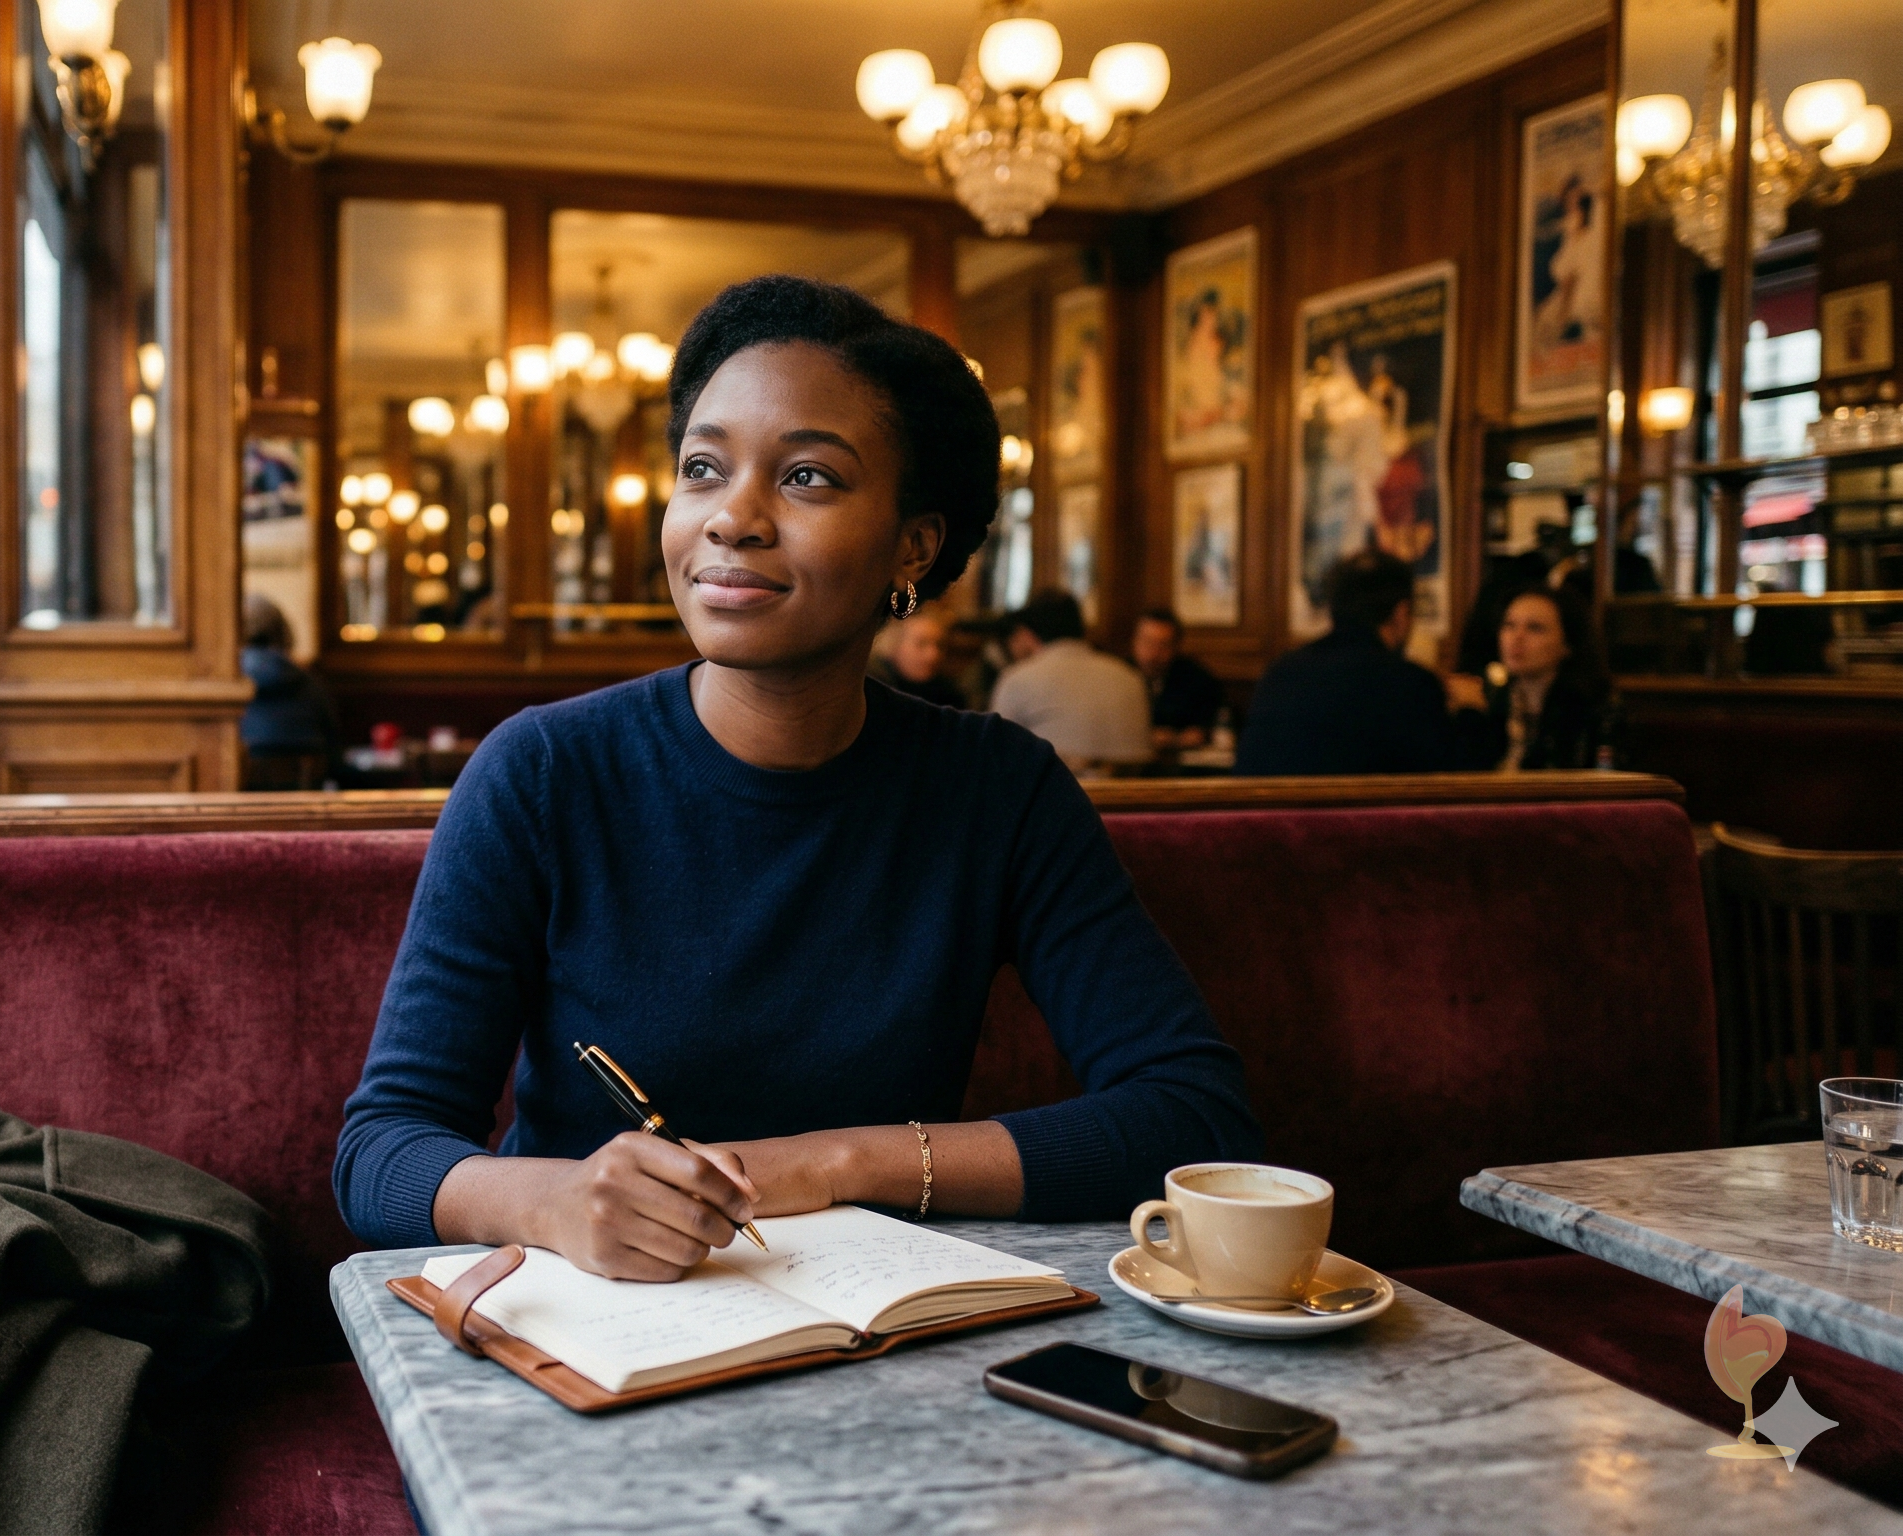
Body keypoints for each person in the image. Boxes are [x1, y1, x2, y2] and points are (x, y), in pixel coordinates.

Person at [336, 275, 1260, 1282]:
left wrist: (837, 1161)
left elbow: (1190, 1113)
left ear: (913, 544)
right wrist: (556, 1201)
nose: (731, 519)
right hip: (602, 1318)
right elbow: (381, 1150)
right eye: (702, 468)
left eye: (807, 478)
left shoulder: (998, 788)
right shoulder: (544, 770)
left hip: (879, 1322)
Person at [1236, 549, 1455, 775]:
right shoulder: (1411, 684)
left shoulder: (1281, 673)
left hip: (1269, 809)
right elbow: (1452, 778)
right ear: (1401, 613)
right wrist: (1472, 711)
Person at [986, 588, 1152, 774]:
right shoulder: (1131, 676)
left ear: (1027, 634)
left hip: (1056, 799)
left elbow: (996, 757)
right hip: (1133, 797)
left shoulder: (1016, 679)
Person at [1451, 587, 1616, 770]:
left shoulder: (1593, 710)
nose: (1517, 637)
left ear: (1568, 644)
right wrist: (1471, 715)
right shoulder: (1492, 700)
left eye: (1535, 628)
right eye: (1509, 625)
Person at [240, 593, 340, 777]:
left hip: (239, 796)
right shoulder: (311, 683)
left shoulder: (224, 691)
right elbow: (333, 745)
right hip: (307, 792)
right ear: (281, 631)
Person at [1130, 607, 1224, 751]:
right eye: (1147, 642)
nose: (1154, 653)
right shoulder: (1119, 676)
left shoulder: (1196, 679)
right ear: (1134, 641)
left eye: (1163, 645)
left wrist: (1175, 739)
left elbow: (1206, 729)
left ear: (1176, 647)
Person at [871, 607, 967, 710]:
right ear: (893, 643)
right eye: (921, 644)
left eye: (939, 645)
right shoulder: (875, 691)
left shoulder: (950, 696)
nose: (933, 655)